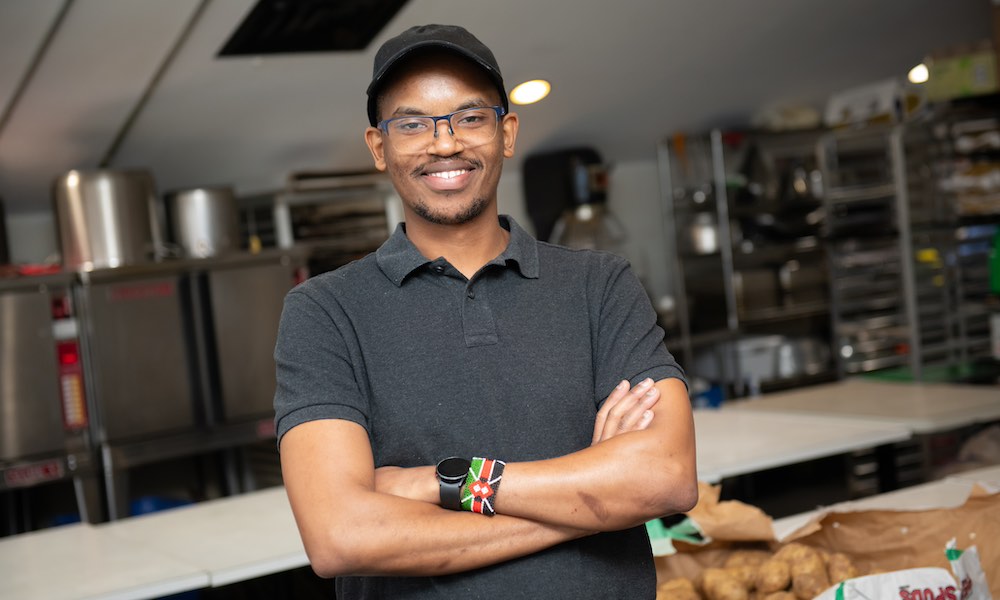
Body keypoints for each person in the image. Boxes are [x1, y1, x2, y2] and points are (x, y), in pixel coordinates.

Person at [274, 23, 697, 599]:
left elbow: (666, 479)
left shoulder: (600, 285)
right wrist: (594, 502)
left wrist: (441, 483)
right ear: (379, 147)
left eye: (469, 118)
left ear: (506, 132)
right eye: (412, 124)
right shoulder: (323, 313)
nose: (444, 144)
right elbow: (341, 537)